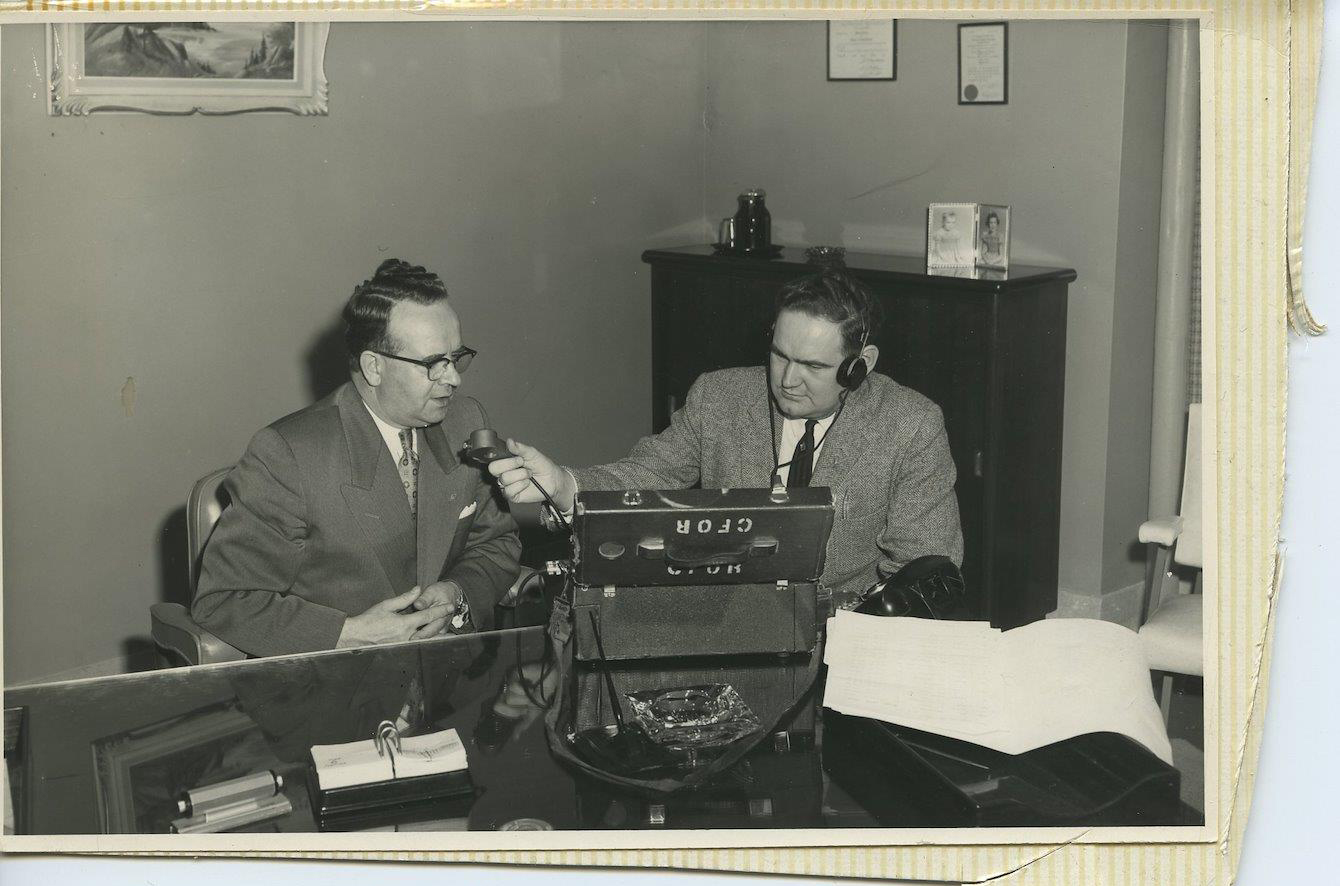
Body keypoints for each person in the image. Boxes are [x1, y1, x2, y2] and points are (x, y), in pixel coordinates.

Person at [487, 270, 963, 610]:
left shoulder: (910, 425)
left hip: (844, 631)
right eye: (779, 355)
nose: (788, 380)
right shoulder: (720, 397)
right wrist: (565, 485)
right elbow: (646, 474)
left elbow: (926, 561)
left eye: (815, 366)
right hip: (721, 616)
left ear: (862, 363)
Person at [192, 259, 521, 657]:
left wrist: (457, 593)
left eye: (456, 357)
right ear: (373, 367)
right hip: (332, 687)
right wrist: (348, 634)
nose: (453, 378)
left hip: (444, 678)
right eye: (434, 364)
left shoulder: (466, 422)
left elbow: (496, 544)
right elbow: (225, 600)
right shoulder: (289, 455)